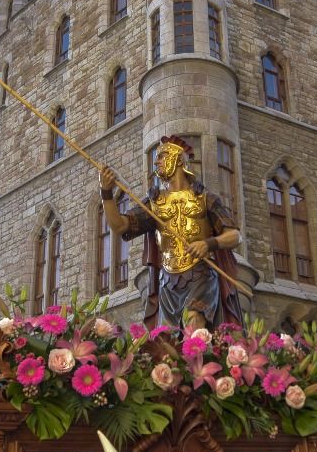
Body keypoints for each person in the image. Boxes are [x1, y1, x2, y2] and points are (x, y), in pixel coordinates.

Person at [99, 137, 242, 330]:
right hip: (168, 280)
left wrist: (209, 244)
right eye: (156, 158)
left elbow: (234, 235)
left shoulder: (205, 198)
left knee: (194, 321)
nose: (156, 162)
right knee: (167, 340)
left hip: (201, 274)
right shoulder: (154, 203)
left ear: (179, 160)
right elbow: (120, 226)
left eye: (162, 156)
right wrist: (106, 194)